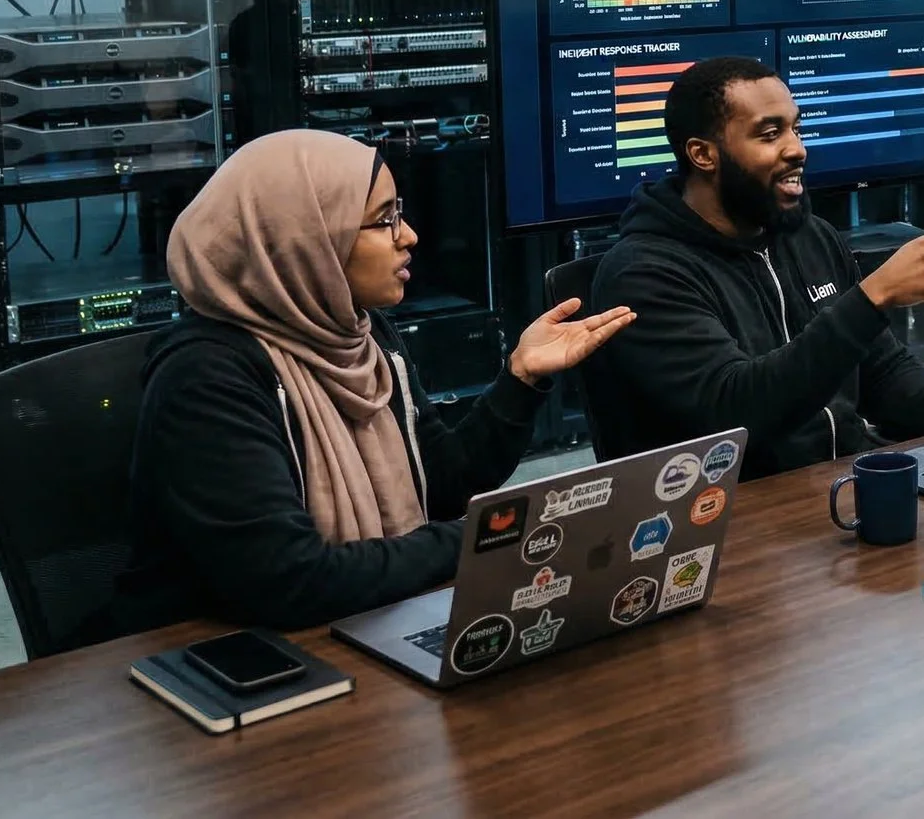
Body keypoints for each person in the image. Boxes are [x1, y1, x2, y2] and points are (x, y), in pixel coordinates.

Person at [115, 131, 636, 634]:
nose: (408, 236)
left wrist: (521, 378)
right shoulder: (206, 376)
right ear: (308, 240)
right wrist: (486, 537)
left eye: (400, 214)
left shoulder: (362, 335)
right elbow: (288, 579)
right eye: (383, 220)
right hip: (228, 656)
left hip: (361, 619)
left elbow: (445, 486)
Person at [585, 56, 924, 479]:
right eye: (769, 134)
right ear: (703, 154)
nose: (797, 149)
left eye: (795, 129)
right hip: (730, 515)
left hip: (837, 486)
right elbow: (734, 415)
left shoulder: (809, 236)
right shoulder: (642, 274)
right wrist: (871, 299)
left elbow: (881, 373)